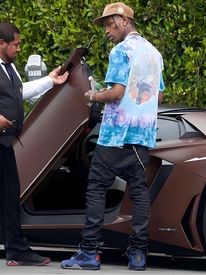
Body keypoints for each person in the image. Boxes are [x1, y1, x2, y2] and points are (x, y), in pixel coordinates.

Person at [61, 2, 164, 271]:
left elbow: (116, 93)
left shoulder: (121, 51)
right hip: (141, 137)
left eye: (109, 24)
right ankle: (138, 254)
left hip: (115, 135)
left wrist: (93, 95)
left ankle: (89, 253)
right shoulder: (154, 53)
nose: (107, 30)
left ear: (124, 21)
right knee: (139, 193)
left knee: (96, 188)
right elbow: (158, 95)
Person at [0, 22, 68, 266]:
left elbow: (20, 92)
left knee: (9, 197)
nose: (19, 49)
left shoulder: (10, 69)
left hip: (5, 144)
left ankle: (16, 250)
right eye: (16, 44)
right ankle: (16, 249)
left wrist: (50, 81)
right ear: (1, 43)